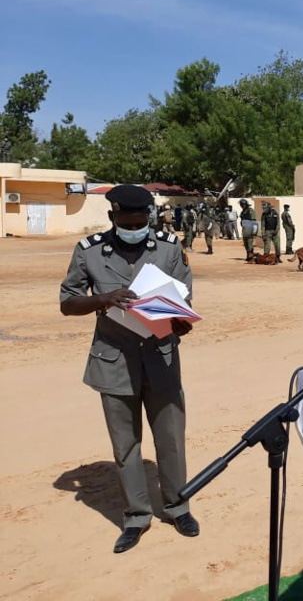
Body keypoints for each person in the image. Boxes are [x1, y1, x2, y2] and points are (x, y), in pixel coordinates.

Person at [59, 184, 199, 554]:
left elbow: (184, 294)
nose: (136, 227)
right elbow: (67, 302)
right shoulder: (89, 252)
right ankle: (136, 515)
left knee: (170, 439)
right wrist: (102, 300)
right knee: (126, 445)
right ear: (113, 217)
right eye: (128, 221)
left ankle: (176, 506)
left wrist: (180, 320)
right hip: (114, 359)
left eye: (142, 221)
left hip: (161, 357)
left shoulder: (169, 247)